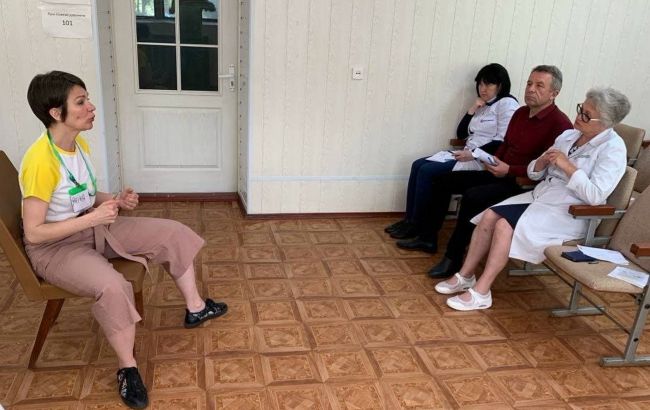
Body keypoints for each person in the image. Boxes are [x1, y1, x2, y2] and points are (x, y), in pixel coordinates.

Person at [20, 71, 228, 409]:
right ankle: (127, 369)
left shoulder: (77, 145)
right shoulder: (40, 161)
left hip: (89, 225)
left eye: (87, 99)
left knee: (173, 232)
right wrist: (92, 218)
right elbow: (33, 231)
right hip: (55, 248)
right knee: (114, 286)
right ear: (56, 113)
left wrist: (114, 199)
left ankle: (196, 309)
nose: (91, 107)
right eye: (81, 102)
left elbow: (83, 194)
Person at [435, 87, 631, 311]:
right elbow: (534, 173)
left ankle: (482, 291)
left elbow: (596, 196)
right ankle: (465, 275)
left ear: (605, 123)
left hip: (571, 211)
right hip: (543, 196)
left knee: (504, 225)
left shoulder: (613, 150)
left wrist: (568, 167)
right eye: (581, 109)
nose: (579, 116)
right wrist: (541, 163)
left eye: (586, 115)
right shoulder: (569, 136)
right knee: (489, 215)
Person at [409, 65, 573, 276]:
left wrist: (509, 169)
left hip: (522, 183)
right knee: (442, 180)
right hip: (499, 172)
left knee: (473, 196)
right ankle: (427, 238)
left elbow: (547, 168)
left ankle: (454, 257)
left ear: (554, 93)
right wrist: (494, 161)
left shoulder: (560, 124)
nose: (531, 89)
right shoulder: (521, 113)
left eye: (539, 85)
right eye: (529, 83)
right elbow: (505, 144)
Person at [385, 63, 519, 246]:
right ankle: (410, 220)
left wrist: (474, 154)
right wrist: (472, 110)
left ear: (500, 85)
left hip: (480, 160)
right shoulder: (484, 104)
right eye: (480, 84)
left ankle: (417, 224)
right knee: (418, 165)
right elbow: (462, 134)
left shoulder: (507, 104)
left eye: (488, 84)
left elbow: (502, 142)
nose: (483, 88)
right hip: (466, 153)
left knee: (427, 171)